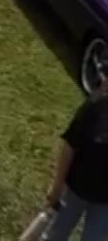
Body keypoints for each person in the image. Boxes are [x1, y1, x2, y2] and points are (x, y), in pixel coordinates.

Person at [43, 88, 108, 240]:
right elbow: (70, 147)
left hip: (105, 204)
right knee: (56, 234)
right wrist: (56, 188)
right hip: (75, 191)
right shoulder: (95, 106)